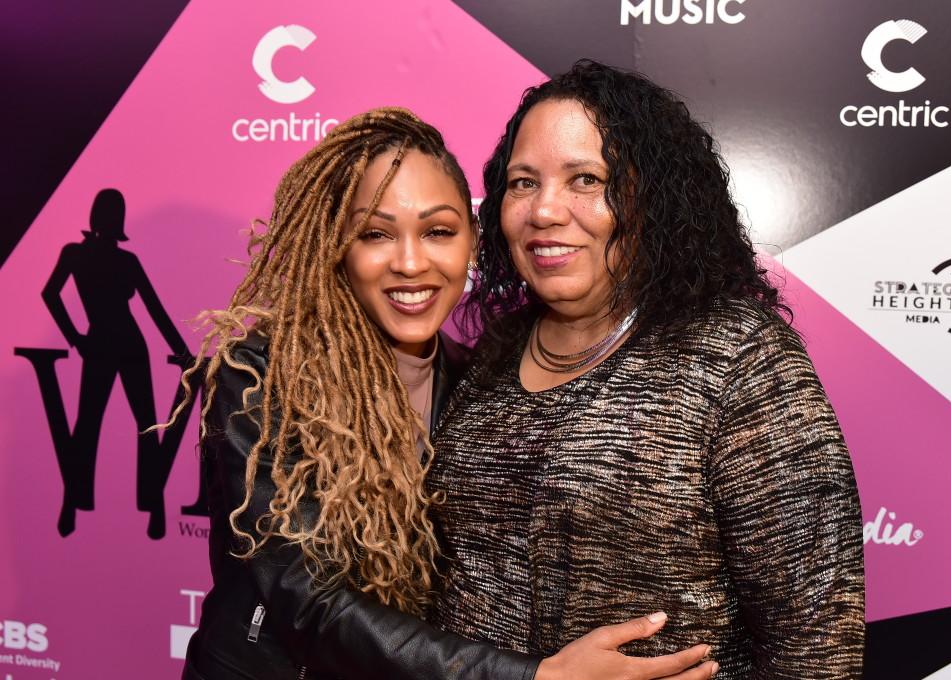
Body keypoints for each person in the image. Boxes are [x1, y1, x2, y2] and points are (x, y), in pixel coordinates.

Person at [179, 108, 719, 680]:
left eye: (438, 231)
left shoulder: (477, 383)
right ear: (335, 246)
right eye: (375, 234)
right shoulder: (261, 379)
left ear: (473, 240)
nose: (411, 264)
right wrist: (535, 678)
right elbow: (310, 600)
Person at [428, 61, 865, 679]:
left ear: (653, 197)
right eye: (523, 183)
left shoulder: (739, 358)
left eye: (586, 178)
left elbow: (818, 648)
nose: (545, 210)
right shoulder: (496, 351)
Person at [42, 188, 190, 539]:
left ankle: (150, 506)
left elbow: (155, 310)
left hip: (119, 345)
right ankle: (76, 501)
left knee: (136, 425)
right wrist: (75, 338)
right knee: (99, 424)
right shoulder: (79, 254)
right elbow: (50, 294)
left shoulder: (121, 260)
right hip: (109, 345)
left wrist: (183, 354)